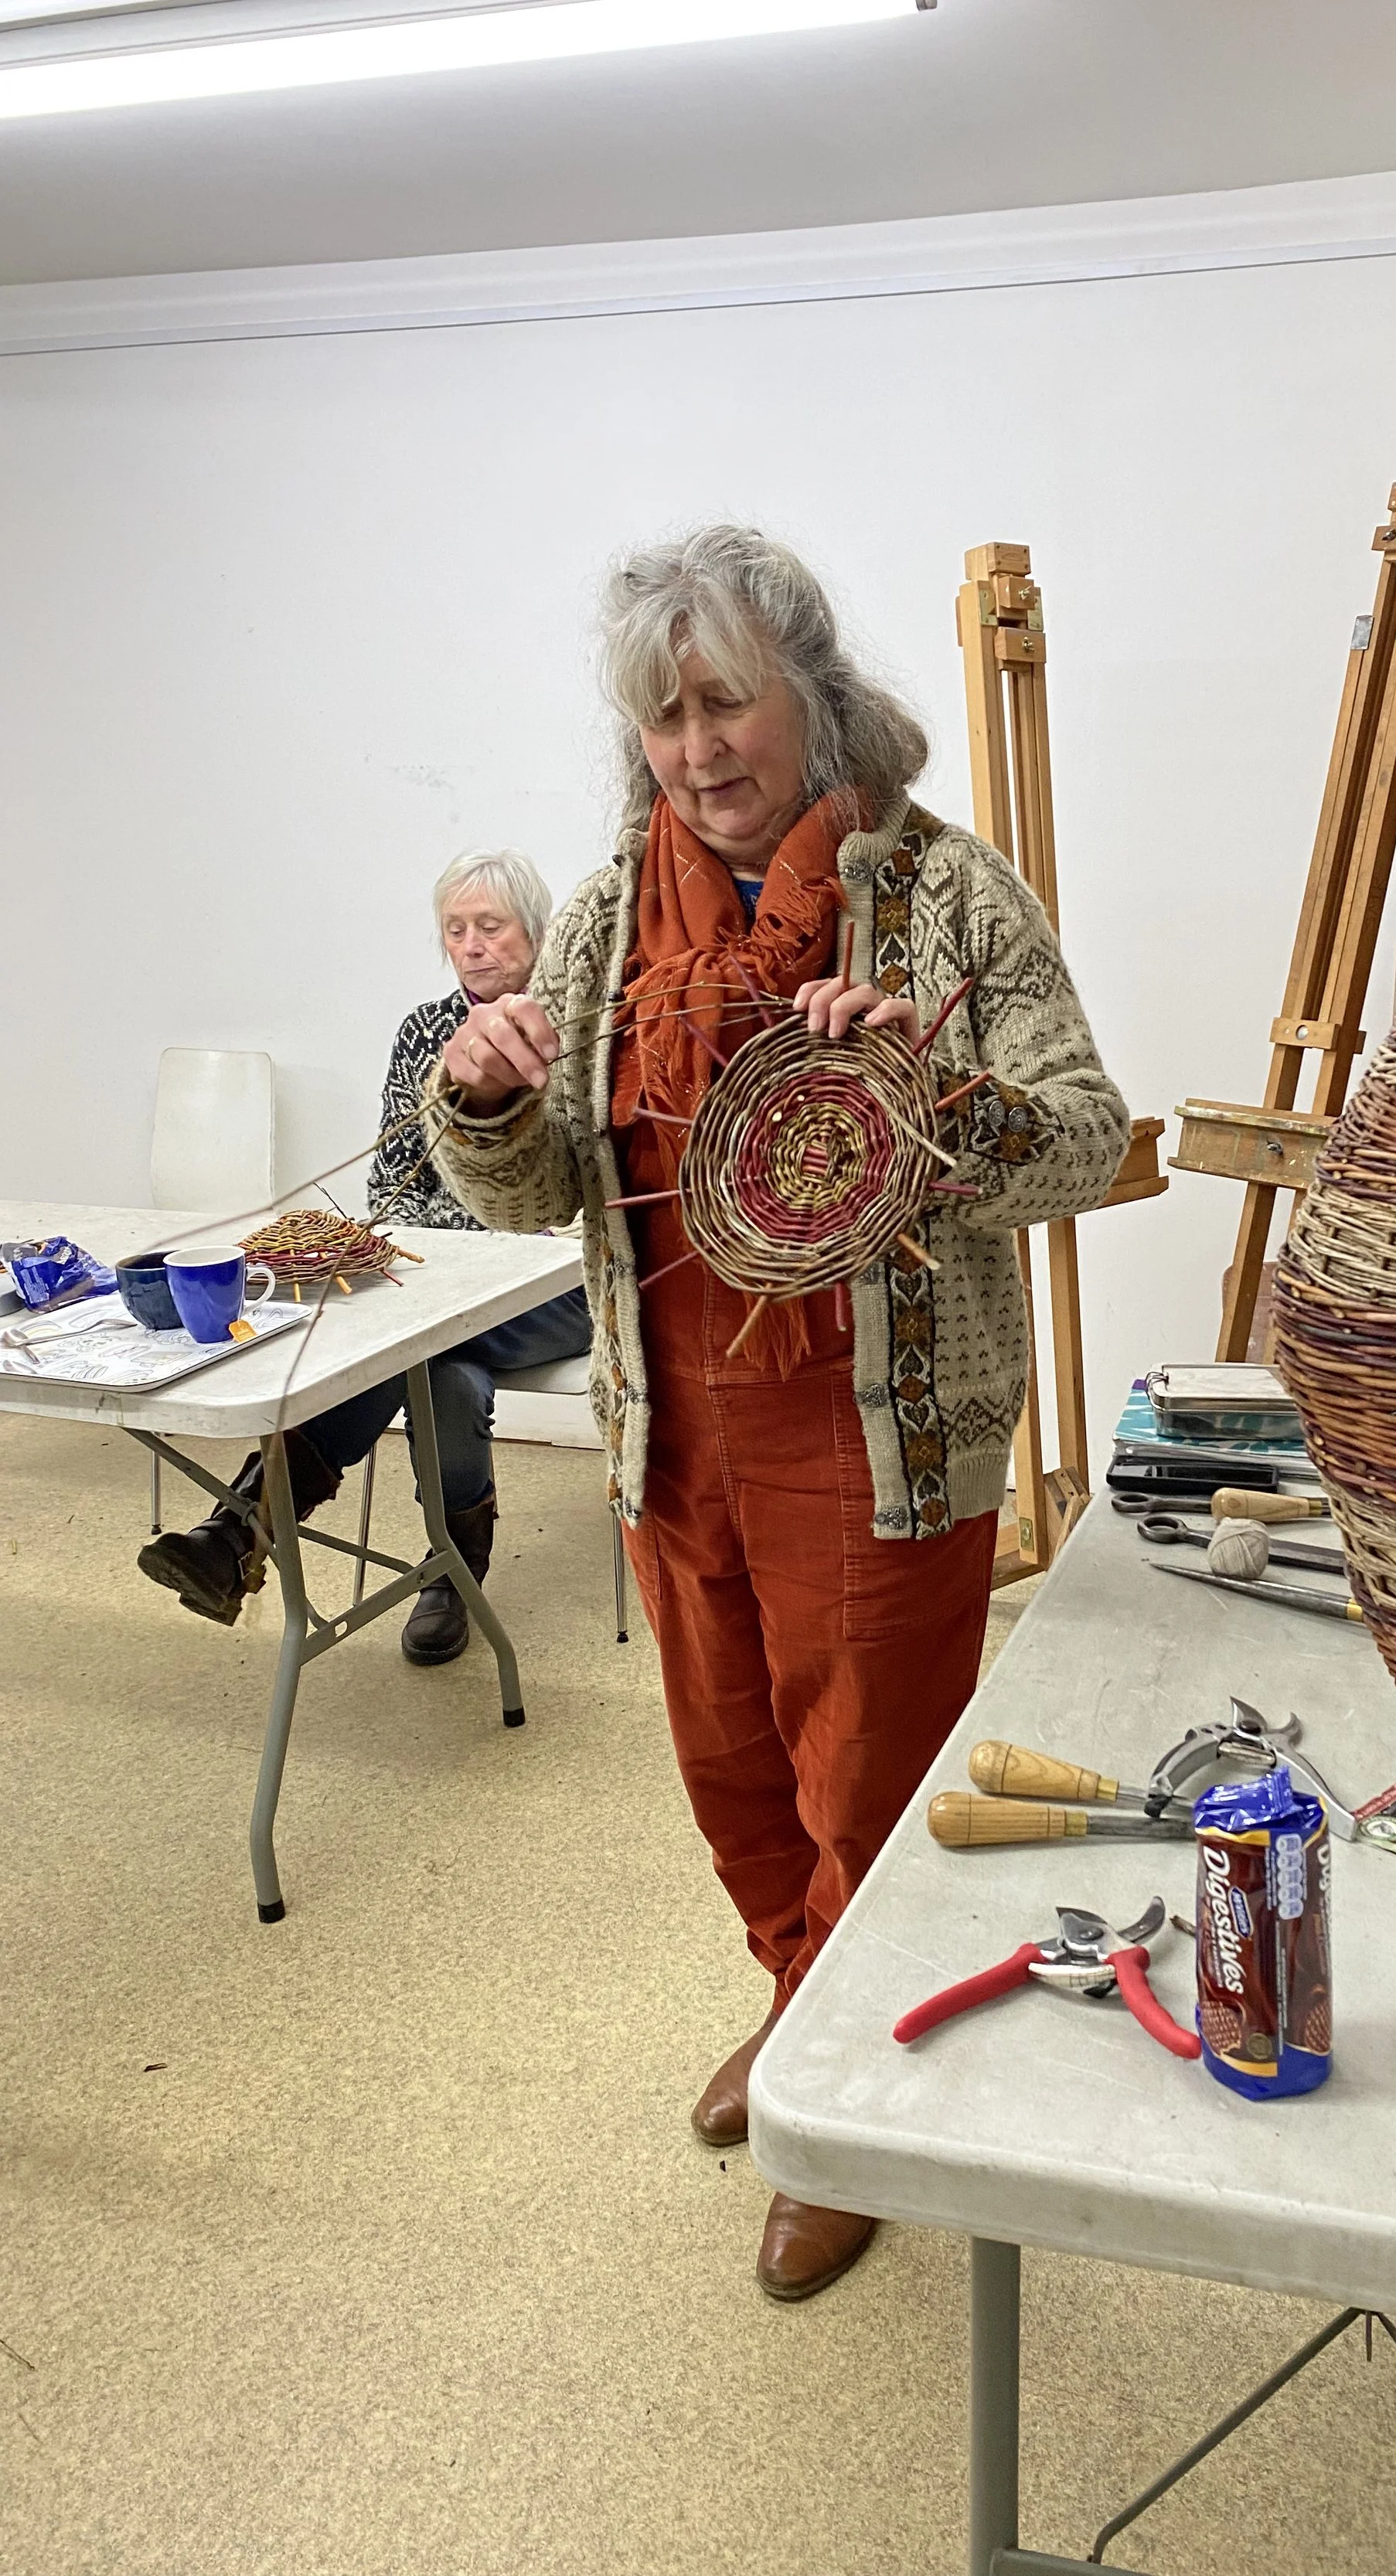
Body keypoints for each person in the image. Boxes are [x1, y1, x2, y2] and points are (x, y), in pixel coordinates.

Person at [427, 525, 1130, 2300]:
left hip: (876, 1428)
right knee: (732, 1767)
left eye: (724, 699)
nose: (695, 746)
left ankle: (847, 2103)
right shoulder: (602, 918)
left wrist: (928, 1091)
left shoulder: (943, 888)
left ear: (805, 696)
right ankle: (800, 2003)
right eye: (663, 714)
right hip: (676, 1430)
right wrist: (480, 1088)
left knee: (867, 1786)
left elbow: (1080, 1133)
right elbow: (526, 1199)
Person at [138, 852, 593, 1663]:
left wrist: (495, 1252)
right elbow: (393, 1184)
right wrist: (452, 1260)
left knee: (411, 1344)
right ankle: (453, 1573)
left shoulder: (582, 1029)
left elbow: (587, 1191)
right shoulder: (425, 1032)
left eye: (490, 926)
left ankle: (244, 1523)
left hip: (557, 1287)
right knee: (443, 1374)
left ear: (537, 930)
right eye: (455, 930)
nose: (471, 945)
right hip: (447, 1288)